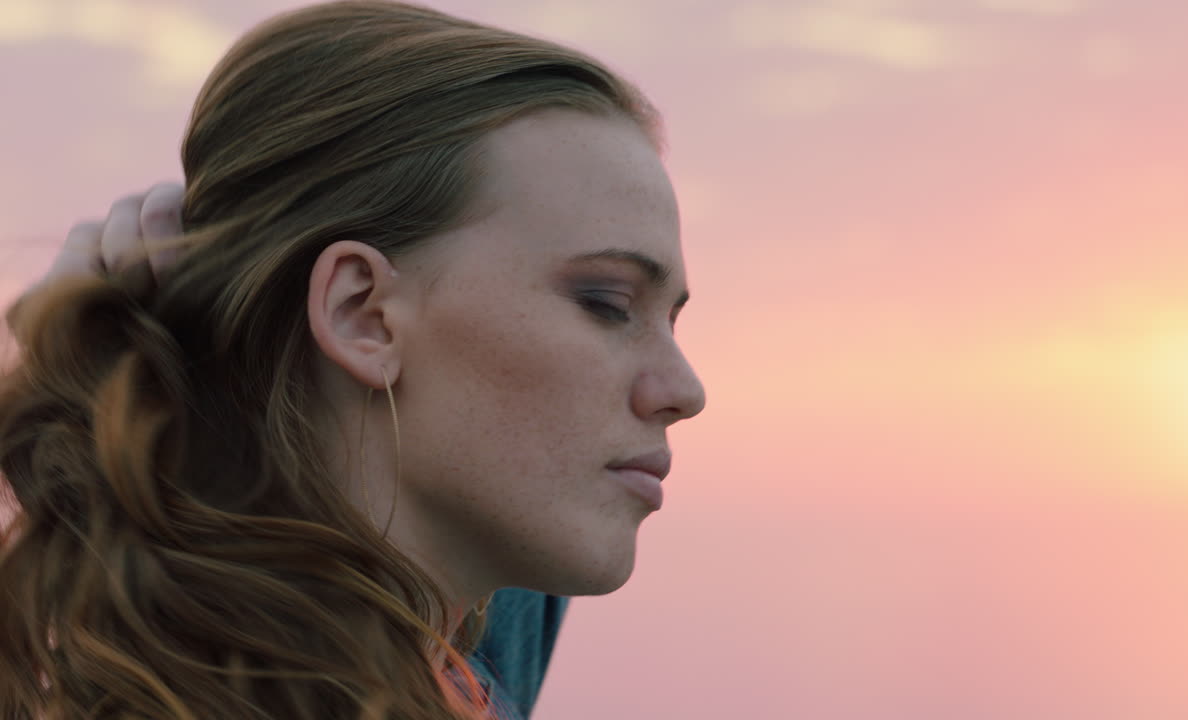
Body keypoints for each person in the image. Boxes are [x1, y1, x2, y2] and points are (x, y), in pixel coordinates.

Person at [0, 2, 705, 719]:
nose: (684, 390)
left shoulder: (433, 641)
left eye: (671, 319)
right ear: (360, 313)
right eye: (607, 302)